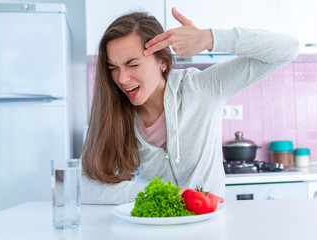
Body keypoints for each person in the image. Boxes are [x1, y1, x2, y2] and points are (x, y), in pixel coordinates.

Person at [81, 7, 299, 204]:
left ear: (162, 62)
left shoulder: (202, 87)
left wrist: (210, 38)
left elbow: (288, 49)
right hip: (153, 227)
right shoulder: (113, 114)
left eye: (133, 64)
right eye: (113, 68)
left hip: (208, 227)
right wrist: (156, 193)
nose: (122, 79)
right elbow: (85, 187)